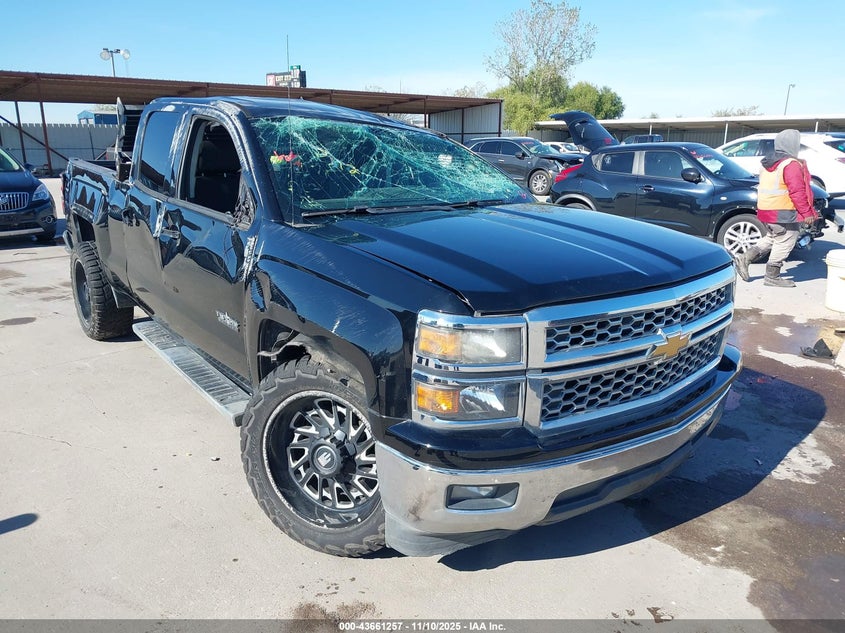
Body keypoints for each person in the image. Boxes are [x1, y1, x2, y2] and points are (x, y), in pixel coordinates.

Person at [734, 129, 820, 287]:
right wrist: (806, 212)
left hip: (766, 208)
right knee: (786, 240)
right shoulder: (790, 164)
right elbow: (797, 191)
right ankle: (772, 277)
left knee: (773, 237)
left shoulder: (768, 162)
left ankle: (745, 258)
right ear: (792, 144)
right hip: (783, 210)